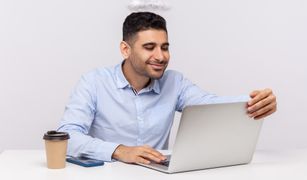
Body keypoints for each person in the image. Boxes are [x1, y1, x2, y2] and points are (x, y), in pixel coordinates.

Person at [58, 12, 277, 165]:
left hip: (157, 174)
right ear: (125, 49)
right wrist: (119, 151)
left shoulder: (174, 82)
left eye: (165, 47)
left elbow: (210, 104)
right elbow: (67, 137)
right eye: (149, 47)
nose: (161, 56)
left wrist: (255, 102)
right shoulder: (93, 82)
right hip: (109, 174)